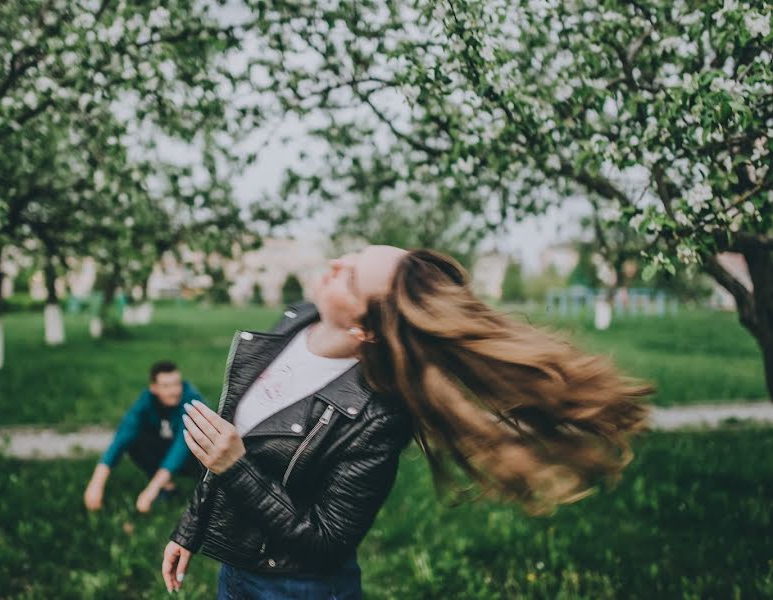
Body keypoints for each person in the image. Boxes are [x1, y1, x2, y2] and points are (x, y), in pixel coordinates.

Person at [161, 246, 652, 598]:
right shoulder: (295, 322)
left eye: (350, 279)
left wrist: (237, 467)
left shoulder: (377, 417)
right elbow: (230, 438)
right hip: (236, 571)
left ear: (364, 328)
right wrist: (190, 528)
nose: (336, 264)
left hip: (297, 588)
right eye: (353, 256)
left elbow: (327, 541)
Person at [84, 360, 206, 513]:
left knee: (191, 448)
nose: (174, 391)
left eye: (176, 384)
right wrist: (96, 484)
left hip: (195, 456)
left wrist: (150, 492)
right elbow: (122, 436)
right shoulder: (146, 400)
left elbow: (180, 448)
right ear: (153, 388)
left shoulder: (191, 400)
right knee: (135, 441)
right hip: (167, 446)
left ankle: (205, 491)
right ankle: (167, 487)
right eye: (166, 386)